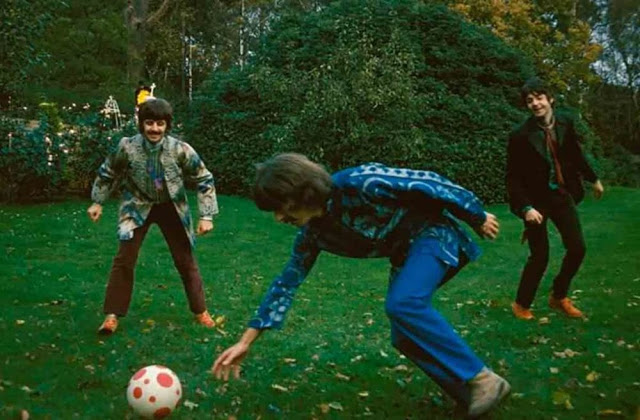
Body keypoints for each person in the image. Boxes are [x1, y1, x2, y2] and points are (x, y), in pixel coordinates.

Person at [212, 153, 510, 417]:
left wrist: (476, 215)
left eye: (281, 206)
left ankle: (481, 378)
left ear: (304, 191)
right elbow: (286, 283)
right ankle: (470, 396)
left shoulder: (360, 182)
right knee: (404, 336)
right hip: (406, 256)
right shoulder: (314, 234)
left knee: (403, 304)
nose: (279, 217)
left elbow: (428, 182)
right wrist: (246, 341)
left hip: (434, 236)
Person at [87, 98, 220, 334]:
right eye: (149, 123)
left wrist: (206, 215)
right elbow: (108, 171)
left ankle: (201, 311)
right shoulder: (127, 147)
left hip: (171, 207)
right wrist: (98, 201)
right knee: (124, 258)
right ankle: (111, 315)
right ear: (141, 124)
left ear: (167, 125)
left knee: (185, 260)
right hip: (136, 205)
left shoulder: (181, 149)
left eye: (160, 124)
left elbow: (204, 178)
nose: (154, 129)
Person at [506, 77, 604, 321]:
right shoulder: (520, 136)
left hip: (561, 195)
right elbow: (513, 177)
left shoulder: (565, 123)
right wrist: (525, 207)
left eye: (539, 98)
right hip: (535, 202)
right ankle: (521, 304)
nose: (535, 104)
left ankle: (558, 297)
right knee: (540, 256)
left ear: (550, 99)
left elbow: (574, 154)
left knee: (577, 248)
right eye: (530, 101)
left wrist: (593, 179)